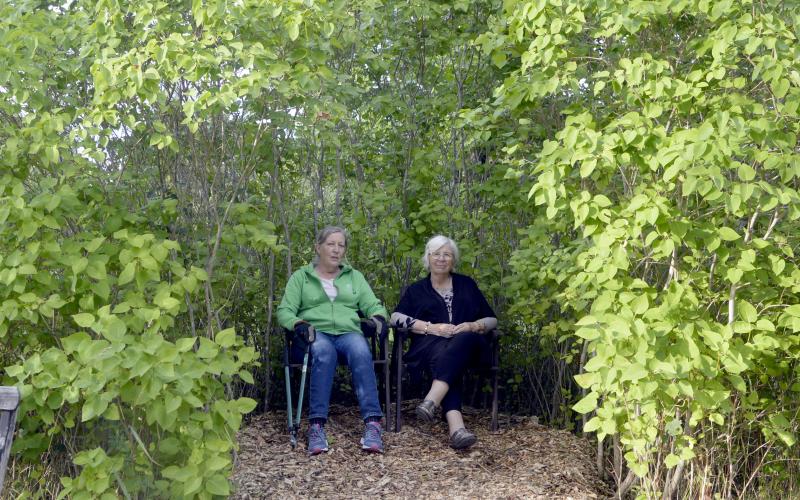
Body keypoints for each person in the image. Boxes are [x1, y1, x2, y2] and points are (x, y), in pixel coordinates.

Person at [277, 226, 388, 455]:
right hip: (314, 335)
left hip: (348, 333)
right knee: (324, 352)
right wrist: (298, 324)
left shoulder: (354, 277)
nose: (337, 250)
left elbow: (373, 305)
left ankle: (373, 425)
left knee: (360, 349)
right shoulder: (301, 277)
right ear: (318, 247)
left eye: (341, 245)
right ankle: (316, 427)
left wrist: (376, 320)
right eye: (331, 244)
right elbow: (285, 311)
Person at [391, 235, 497, 450]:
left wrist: (472, 326)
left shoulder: (467, 284)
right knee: (446, 358)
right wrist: (431, 328)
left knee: (462, 340)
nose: (441, 259)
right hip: (430, 347)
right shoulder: (416, 290)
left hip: (471, 347)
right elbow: (395, 318)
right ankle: (456, 429)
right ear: (428, 258)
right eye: (436, 254)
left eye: (446, 254)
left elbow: (492, 319)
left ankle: (432, 400)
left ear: (453, 260)